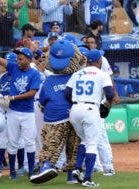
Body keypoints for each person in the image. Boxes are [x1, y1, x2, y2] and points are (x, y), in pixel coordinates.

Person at [30, 40, 81, 184]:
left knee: (51, 143)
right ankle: (72, 175)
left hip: (55, 117)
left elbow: (42, 100)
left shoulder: (49, 80)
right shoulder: (76, 76)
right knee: (73, 146)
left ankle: (46, 165)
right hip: (73, 114)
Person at [0, 44, 41, 179]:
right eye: (18, 59)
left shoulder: (35, 73)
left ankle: (30, 171)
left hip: (27, 112)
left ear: (29, 60)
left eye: (21, 59)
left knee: (29, 142)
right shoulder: (13, 67)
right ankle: (12, 172)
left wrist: (13, 97)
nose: (18, 61)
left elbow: (32, 92)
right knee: (12, 142)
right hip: (13, 112)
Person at [65, 49, 114, 187]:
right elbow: (110, 94)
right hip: (91, 109)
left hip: (75, 109)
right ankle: (87, 179)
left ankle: (78, 169)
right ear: (98, 61)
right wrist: (107, 104)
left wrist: (77, 103)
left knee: (85, 140)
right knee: (92, 144)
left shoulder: (77, 74)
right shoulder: (102, 74)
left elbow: (67, 93)